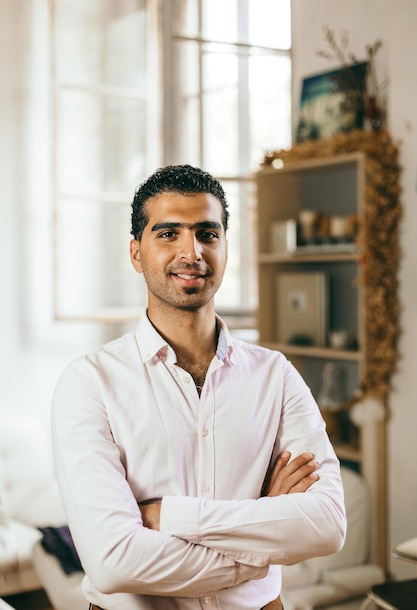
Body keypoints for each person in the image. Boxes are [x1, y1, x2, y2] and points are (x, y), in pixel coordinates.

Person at [51, 164, 346, 610]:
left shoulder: (276, 374)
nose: (192, 252)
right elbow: (114, 561)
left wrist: (169, 516)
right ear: (136, 253)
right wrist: (262, 541)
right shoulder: (89, 382)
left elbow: (326, 524)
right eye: (168, 234)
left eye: (208, 234)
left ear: (226, 247)